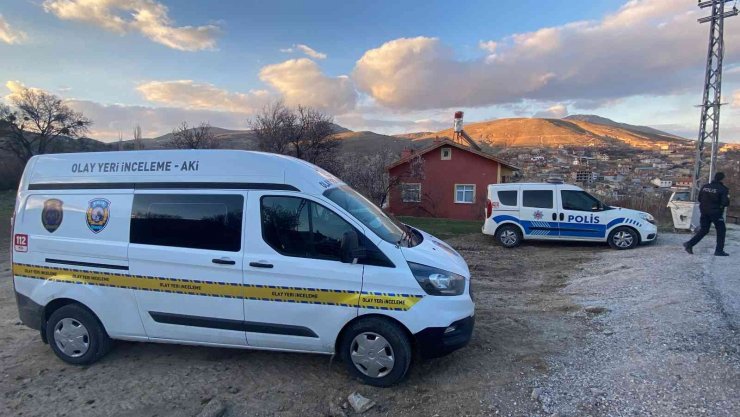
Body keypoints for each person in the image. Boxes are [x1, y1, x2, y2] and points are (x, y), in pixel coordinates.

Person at [684, 172, 731, 256]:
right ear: (722, 179)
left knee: (704, 230)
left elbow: (700, 198)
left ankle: (689, 244)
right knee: (721, 231)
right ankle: (719, 251)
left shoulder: (705, 186)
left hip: (704, 211)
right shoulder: (723, 189)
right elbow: (725, 203)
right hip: (716, 213)